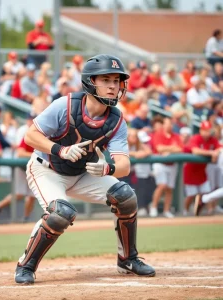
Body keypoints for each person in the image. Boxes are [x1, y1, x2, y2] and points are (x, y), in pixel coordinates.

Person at [14, 54, 155, 285]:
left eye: (117, 81)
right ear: (90, 81)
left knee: (125, 197)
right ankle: (26, 265)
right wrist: (60, 150)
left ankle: (127, 259)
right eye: (106, 80)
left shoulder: (117, 120)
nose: (113, 86)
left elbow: (124, 166)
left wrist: (107, 168)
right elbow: (30, 135)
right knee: (61, 212)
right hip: (47, 169)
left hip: (82, 173)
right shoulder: (65, 105)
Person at [183, 121, 219, 216]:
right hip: (191, 170)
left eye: (208, 130)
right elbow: (195, 151)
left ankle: (209, 211)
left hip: (202, 171)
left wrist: (216, 152)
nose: (207, 133)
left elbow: (220, 147)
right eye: (205, 130)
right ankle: (185, 212)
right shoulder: (196, 138)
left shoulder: (212, 139)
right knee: (191, 195)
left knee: (206, 193)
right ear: (201, 130)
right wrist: (212, 153)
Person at [150, 118, 183, 218]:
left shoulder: (176, 136)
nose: (169, 126)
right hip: (160, 164)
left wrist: (168, 150)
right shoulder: (158, 134)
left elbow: (181, 148)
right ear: (163, 125)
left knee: (169, 189)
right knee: (162, 185)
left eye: (170, 124)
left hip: (172, 165)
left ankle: (166, 210)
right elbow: (159, 148)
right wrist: (173, 148)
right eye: (167, 124)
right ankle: (154, 208)